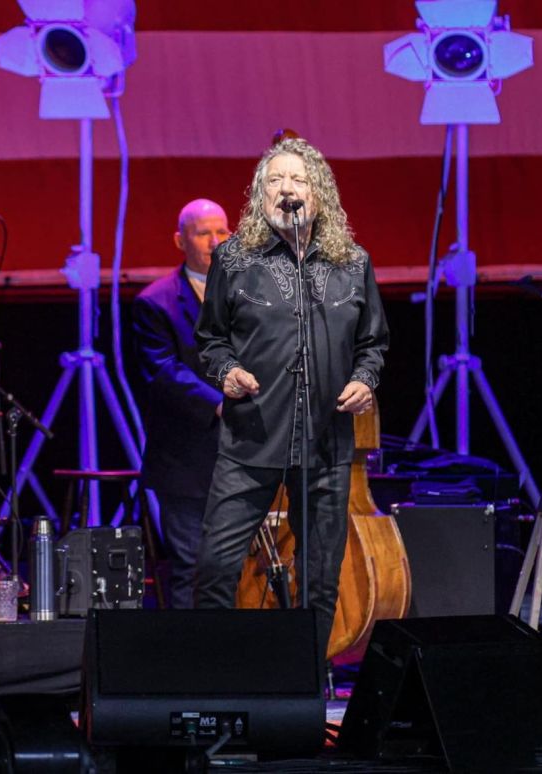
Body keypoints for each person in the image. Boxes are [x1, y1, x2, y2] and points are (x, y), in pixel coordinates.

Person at [193, 138, 389, 657]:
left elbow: (373, 343)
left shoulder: (351, 262)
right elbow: (210, 340)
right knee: (215, 567)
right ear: (261, 194)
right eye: (275, 179)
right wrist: (227, 370)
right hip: (251, 440)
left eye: (299, 179)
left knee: (320, 578)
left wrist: (366, 379)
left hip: (324, 447)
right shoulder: (234, 259)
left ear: (318, 193)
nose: (287, 188)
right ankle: (213, 679)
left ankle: (303, 688)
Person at [132, 199, 230, 608]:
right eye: (203, 233)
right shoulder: (156, 302)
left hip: (249, 456)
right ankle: (191, 662)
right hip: (188, 460)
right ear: (180, 240)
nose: (214, 242)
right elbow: (164, 373)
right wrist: (219, 403)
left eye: (222, 232)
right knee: (192, 565)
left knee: (243, 565)